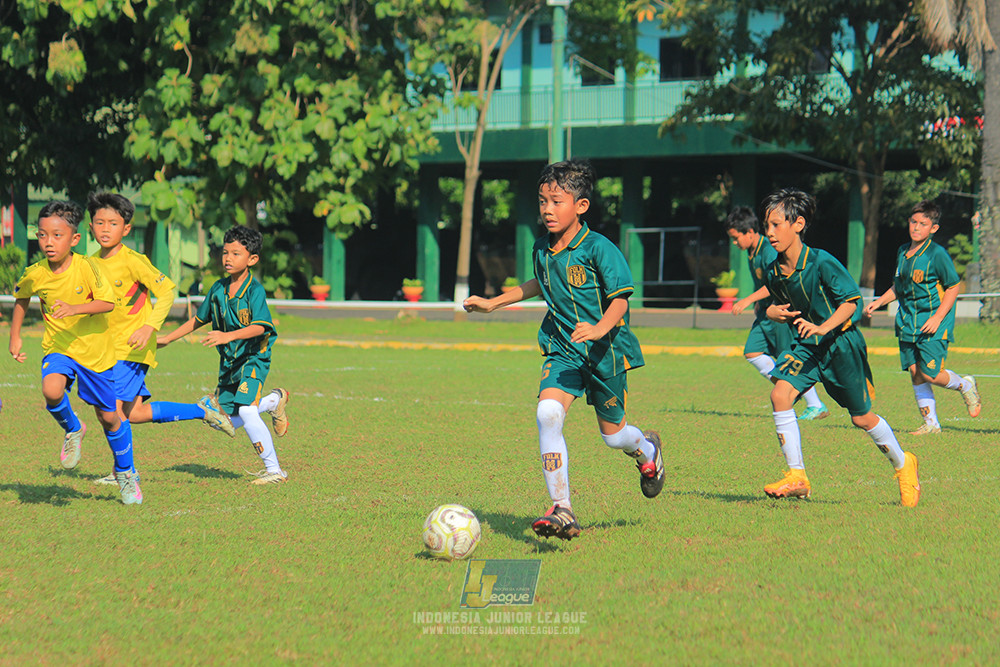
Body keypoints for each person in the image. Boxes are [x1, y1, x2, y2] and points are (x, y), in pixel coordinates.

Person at [463, 159, 664, 540]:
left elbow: (621, 300)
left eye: (557, 202)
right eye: (542, 201)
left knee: (613, 436)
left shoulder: (599, 248)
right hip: (563, 348)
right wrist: (494, 302)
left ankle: (647, 450)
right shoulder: (542, 248)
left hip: (604, 352)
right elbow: (537, 283)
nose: (547, 210)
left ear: (581, 206)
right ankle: (563, 508)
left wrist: (599, 328)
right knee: (548, 413)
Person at [759, 188, 920, 506]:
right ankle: (797, 476)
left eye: (776, 224)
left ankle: (904, 465)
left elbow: (852, 303)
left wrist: (822, 327)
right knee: (780, 394)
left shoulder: (821, 262)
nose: (770, 232)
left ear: (799, 224)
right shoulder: (774, 270)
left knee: (861, 418)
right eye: (767, 225)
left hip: (841, 344)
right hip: (807, 346)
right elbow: (778, 305)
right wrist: (771, 312)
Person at [86, 191, 254, 485]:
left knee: (112, 413)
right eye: (99, 222)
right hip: (105, 350)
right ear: (90, 226)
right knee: (135, 413)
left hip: (132, 349)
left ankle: (124, 473)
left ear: (126, 228)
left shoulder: (133, 261)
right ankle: (202, 411)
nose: (105, 229)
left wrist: (150, 327)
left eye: (113, 223)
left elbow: (167, 291)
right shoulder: (88, 264)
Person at [8, 201, 142, 504]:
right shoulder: (36, 272)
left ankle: (126, 472)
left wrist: (75, 308)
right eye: (42, 235)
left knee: (109, 418)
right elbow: (22, 296)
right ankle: (73, 429)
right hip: (59, 347)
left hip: (96, 354)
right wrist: (15, 336)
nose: (48, 242)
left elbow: (108, 303)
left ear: (75, 238)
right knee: (51, 390)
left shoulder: (89, 267)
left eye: (56, 235)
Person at [157, 225, 290, 484]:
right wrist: (168, 338)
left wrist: (228, 335)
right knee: (224, 421)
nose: (228, 258)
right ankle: (274, 401)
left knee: (248, 413)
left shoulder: (254, 291)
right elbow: (198, 318)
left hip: (254, 358)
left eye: (236, 253)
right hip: (230, 363)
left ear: (252, 259)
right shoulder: (218, 289)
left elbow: (261, 325)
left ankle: (275, 471)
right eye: (225, 252)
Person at [864, 200, 981, 434]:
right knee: (916, 373)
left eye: (923, 224)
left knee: (930, 372)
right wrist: (879, 301)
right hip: (908, 321)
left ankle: (966, 385)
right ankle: (931, 424)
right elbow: (899, 287)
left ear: (933, 228)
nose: (916, 227)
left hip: (933, 322)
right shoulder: (902, 251)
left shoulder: (937, 254)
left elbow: (953, 287)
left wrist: (938, 317)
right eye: (914, 222)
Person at [726, 206, 829, 420]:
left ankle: (815, 404)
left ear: (750, 232)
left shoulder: (769, 250)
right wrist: (758, 303)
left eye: (736, 238)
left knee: (786, 357)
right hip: (765, 312)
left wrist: (748, 299)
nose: (735, 244)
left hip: (779, 313)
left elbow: (775, 283)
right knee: (752, 351)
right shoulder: (751, 252)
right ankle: (791, 387)